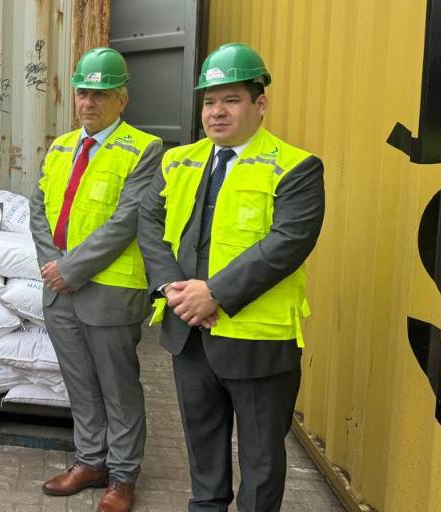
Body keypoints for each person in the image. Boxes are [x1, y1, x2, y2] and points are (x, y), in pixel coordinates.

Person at [137, 43, 325, 511]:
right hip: (189, 333)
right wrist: (171, 288)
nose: (217, 112)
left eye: (231, 100)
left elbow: (288, 242)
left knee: (261, 459)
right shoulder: (178, 160)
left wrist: (214, 293)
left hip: (257, 341)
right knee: (203, 451)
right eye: (209, 101)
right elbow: (150, 224)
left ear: (261, 104)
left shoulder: (296, 167)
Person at [29, 47, 162, 512]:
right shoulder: (61, 146)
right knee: (80, 383)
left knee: (118, 388)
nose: (89, 102)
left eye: (101, 94)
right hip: (59, 290)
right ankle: (90, 461)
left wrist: (70, 269)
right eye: (83, 93)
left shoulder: (144, 149)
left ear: (122, 99)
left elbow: (129, 220)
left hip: (110, 291)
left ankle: (122, 477)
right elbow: (39, 209)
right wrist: (53, 266)